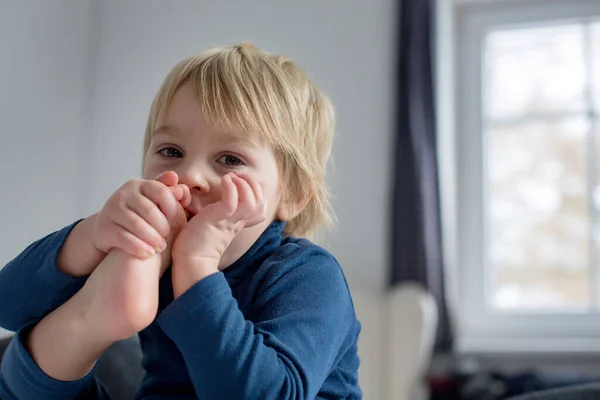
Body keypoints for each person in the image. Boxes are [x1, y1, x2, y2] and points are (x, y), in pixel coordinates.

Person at [0, 42, 362, 399]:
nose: (188, 175)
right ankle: (86, 320)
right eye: (171, 151)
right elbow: (8, 305)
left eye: (230, 159)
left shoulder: (309, 275)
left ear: (293, 196)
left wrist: (197, 266)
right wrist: (90, 236)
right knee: (23, 360)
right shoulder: (150, 257)